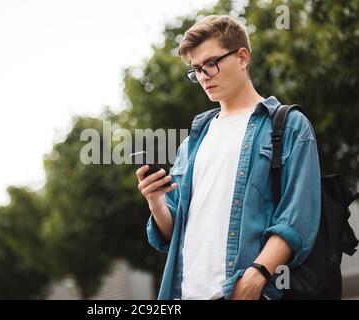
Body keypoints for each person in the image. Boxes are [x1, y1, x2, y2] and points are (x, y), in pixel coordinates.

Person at [135, 15, 321, 300]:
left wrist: (257, 274)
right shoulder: (193, 142)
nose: (203, 76)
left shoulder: (289, 126)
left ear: (242, 57)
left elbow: (297, 217)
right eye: (196, 69)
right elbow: (174, 233)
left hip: (243, 291)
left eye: (211, 63)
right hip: (184, 292)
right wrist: (156, 201)